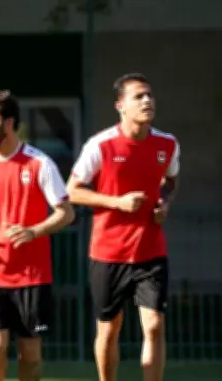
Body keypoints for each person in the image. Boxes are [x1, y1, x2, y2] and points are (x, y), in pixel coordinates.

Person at [67, 73, 180, 381]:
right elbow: (73, 191)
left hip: (151, 250)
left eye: (150, 96)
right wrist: (117, 202)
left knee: (155, 326)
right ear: (120, 106)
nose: (147, 101)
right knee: (109, 329)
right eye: (139, 96)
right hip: (108, 253)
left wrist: (164, 203)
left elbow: (170, 181)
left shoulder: (167, 144)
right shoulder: (100, 145)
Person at [0, 90, 75, 381]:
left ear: (9, 123)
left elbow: (67, 212)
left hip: (32, 275)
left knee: (31, 355)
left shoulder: (40, 164)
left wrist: (34, 231)